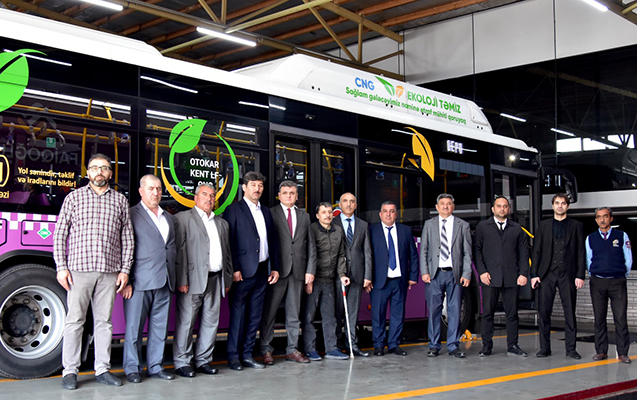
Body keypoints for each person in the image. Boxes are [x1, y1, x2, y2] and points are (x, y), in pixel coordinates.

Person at [54, 153, 133, 390]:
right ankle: (70, 371)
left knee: (104, 322)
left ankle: (102, 369)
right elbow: (60, 234)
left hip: (109, 272)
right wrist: (61, 267)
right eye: (95, 167)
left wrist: (125, 270)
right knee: (75, 321)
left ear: (110, 173)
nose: (100, 171)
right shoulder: (74, 198)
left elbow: (128, 238)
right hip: (79, 270)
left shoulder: (120, 201)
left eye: (104, 168)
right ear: (88, 172)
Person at [172, 183, 233, 377]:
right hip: (192, 280)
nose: (209, 198)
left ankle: (203, 361)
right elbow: (179, 251)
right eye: (205, 194)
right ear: (195, 198)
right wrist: (182, 279)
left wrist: (227, 279)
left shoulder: (221, 223)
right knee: (186, 323)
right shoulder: (182, 219)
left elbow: (227, 253)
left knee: (210, 323)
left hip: (215, 279)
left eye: (212, 195)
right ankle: (182, 362)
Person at [122, 175, 177, 383]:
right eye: (151, 188)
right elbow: (124, 247)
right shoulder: (130, 214)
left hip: (165, 280)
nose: (156, 192)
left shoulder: (168, 217)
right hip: (139, 282)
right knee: (134, 328)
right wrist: (127, 280)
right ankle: (132, 368)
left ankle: (155, 366)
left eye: (159, 189)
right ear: (141, 191)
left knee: (160, 328)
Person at [223, 171, 280, 371]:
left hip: (262, 271)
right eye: (253, 185)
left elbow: (273, 241)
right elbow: (229, 242)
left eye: (260, 185)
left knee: (255, 316)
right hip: (242, 273)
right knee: (238, 316)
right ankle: (233, 356)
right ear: (244, 187)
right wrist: (235, 269)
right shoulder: (233, 210)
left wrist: (275, 267)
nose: (257, 189)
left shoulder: (266, 211)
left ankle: (247, 354)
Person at [260, 181, 314, 365]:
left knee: (294, 313)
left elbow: (310, 245)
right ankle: (266, 349)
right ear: (279, 195)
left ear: (297, 196)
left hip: (298, 271)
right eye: (285, 193)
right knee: (270, 312)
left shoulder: (304, 216)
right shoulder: (270, 213)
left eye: (292, 193)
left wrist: (310, 271)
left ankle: (292, 349)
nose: (289, 196)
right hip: (277, 271)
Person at [531, 193, 585, 359]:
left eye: (563, 203)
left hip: (567, 274)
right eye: (557, 203)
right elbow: (537, 250)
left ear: (567, 206)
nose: (560, 206)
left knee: (570, 312)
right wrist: (534, 274)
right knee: (544, 312)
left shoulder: (576, 226)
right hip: (546, 274)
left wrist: (580, 275)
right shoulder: (544, 225)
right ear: (553, 205)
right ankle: (544, 348)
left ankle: (571, 349)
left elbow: (580, 252)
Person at [474, 196, 529, 357]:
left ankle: (513, 345)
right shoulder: (483, 227)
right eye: (499, 206)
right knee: (488, 313)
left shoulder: (516, 228)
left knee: (512, 314)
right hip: (489, 277)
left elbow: (524, 253)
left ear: (509, 209)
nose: (502, 209)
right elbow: (477, 250)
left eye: (505, 206)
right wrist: (482, 272)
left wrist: (523, 273)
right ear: (493, 209)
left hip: (512, 277)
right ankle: (486, 346)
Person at [420, 193, 472, 359]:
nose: (445, 206)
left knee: (454, 311)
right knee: (434, 311)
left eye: (449, 203)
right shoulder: (429, 224)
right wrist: (424, 271)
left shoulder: (462, 225)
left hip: (454, 274)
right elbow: (424, 250)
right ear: (437, 207)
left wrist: (466, 273)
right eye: (442, 204)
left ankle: (453, 345)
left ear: (453, 207)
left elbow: (467, 253)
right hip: (434, 275)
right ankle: (434, 345)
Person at [368, 201, 419, 356]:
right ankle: (378, 345)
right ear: (380, 214)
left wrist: (413, 276)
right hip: (379, 280)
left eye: (391, 211)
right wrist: (367, 278)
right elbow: (367, 256)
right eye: (385, 211)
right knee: (378, 314)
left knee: (398, 314)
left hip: (399, 280)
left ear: (396, 214)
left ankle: (394, 344)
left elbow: (413, 255)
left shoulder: (405, 230)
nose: (388, 214)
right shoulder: (372, 231)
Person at [302, 202, 349, 361]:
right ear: (317, 215)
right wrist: (308, 279)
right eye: (324, 212)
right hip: (314, 280)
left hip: (329, 280)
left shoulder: (338, 231)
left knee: (330, 317)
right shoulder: (312, 229)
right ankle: (310, 349)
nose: (328, 215)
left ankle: (331, 349)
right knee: (309, 316)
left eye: (330, 212)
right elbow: (308, 254)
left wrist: (342, 274)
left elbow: (341, 255)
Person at [586, 207, 632, 364]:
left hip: (617, 282)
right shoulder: (590, 238)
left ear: (611, 218)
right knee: (599, 317)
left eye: (605, 216)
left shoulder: (621, 235)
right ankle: (601, 351)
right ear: (596, 220)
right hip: (597, 281)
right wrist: (596, 272)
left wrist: (621, 274)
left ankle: (623, 353)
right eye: (599, 217)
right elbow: (588, 260)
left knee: (620, 318)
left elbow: (628, 259)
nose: (602, 219)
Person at [333, 192, 372, 357]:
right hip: (337, 275)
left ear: (355, 205)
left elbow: (367, 251)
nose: (348, 204)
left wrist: (368, 276)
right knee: (336, 312)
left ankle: (352, 344)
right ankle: (336, 345)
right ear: (340, 205)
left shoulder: (363, 225)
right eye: (345, 201)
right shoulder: (332, 222)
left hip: (357, 274)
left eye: (352, 202)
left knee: (353, 312)